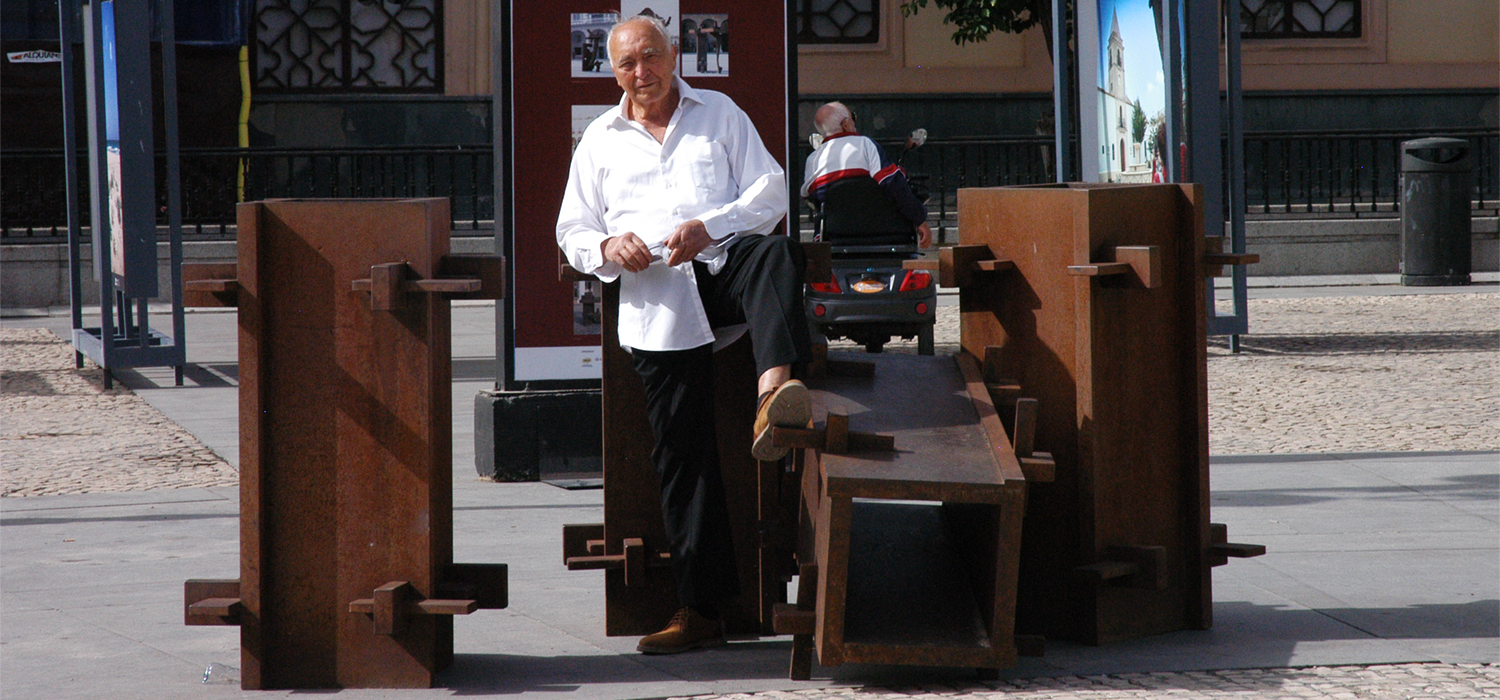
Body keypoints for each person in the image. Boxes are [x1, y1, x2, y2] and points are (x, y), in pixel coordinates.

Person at [555, 15, 813, 655]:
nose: (642, 74)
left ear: (673, 54)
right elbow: (573, 231)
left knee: (775, 255)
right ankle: (700, 610)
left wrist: (712, 225)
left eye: (651, 57)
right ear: (612, 72)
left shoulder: (719, 112)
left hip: (724, 273)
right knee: (683, 456)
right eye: (626, 65)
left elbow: (771, 189)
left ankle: (775, 391)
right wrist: (609, 245)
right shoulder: (600, 140)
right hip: (659, 305)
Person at [800, 102, 933, 248]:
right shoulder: (865, 144)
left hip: (835, 238)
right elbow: (893, 184)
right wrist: (919, 219)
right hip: (884, 235)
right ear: (845, 124)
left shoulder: (813, 159)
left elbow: (810, 197)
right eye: (853, 118)